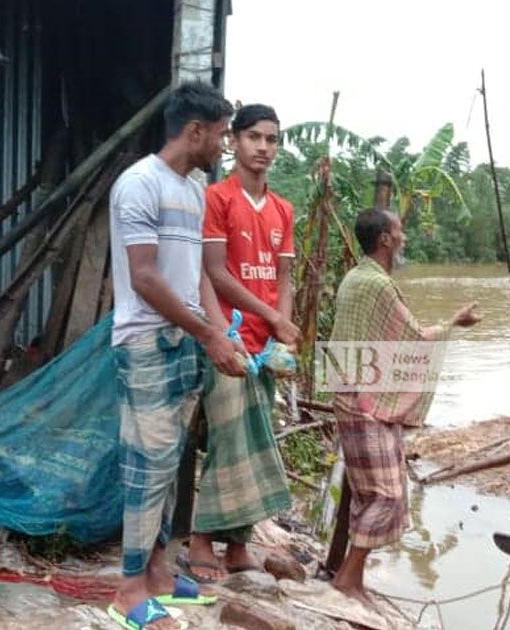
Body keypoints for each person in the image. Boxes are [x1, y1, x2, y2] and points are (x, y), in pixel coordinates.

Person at [107, 82, 244, 630]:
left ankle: (160, 573)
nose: (224, 146)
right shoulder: (139, 184)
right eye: (221, 135)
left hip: (185, 340)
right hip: (146, 342)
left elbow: (196, 278)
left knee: (168, 466)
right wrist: (208, 335)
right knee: (145, 466)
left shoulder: (193, 190)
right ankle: (128, 591)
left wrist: (216, 332)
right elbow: (145, 278)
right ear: (195, 131)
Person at [328, 208, 480, 606]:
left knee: (371, 492)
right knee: (388, 495)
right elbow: (412, 338)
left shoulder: (357, 277)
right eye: (400, 231)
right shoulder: (377, 285)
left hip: (354, 392)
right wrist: (453, 323)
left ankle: (351, 575)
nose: (405, 238)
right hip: (364, 400)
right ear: (385, 239)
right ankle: (346, 578)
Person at [184, 104, 299, 582]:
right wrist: (228, 331)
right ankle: (199, 541)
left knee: (256, 443)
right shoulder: (217, 198)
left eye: (272, 139)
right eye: (254, 137)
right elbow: (213, 273)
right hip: (228, 339)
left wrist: (282, 333)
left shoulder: (282, 209)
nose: (264, 148)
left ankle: (238, 546)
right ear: (233, 140)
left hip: (264, 345)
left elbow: (284, 277)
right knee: (229, 441)